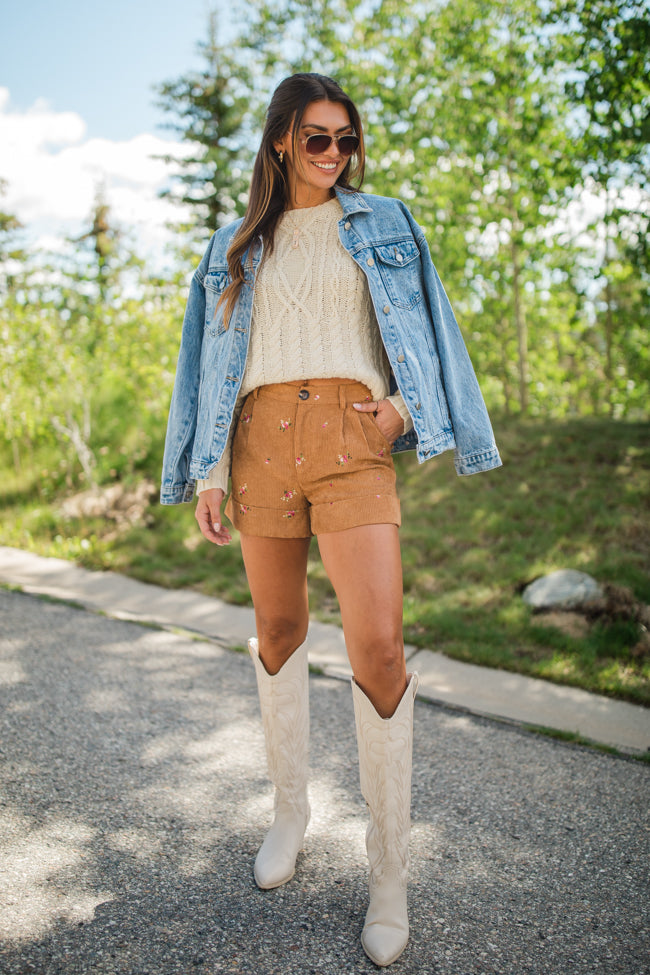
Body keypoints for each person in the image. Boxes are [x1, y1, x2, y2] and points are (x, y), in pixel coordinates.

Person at [161, 72, 501, 967]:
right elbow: (205, 366)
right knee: (278, 627)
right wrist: (204, 469)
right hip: (257, 443)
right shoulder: (229, 248)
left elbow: (430, 326)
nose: (333, 155)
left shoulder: (383, 221)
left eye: (345, 139)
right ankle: (290, 811)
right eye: (316, 138)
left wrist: (403, 408)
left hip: (353, 437)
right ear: (280, 141)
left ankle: (387, 873)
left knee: (379, 644)